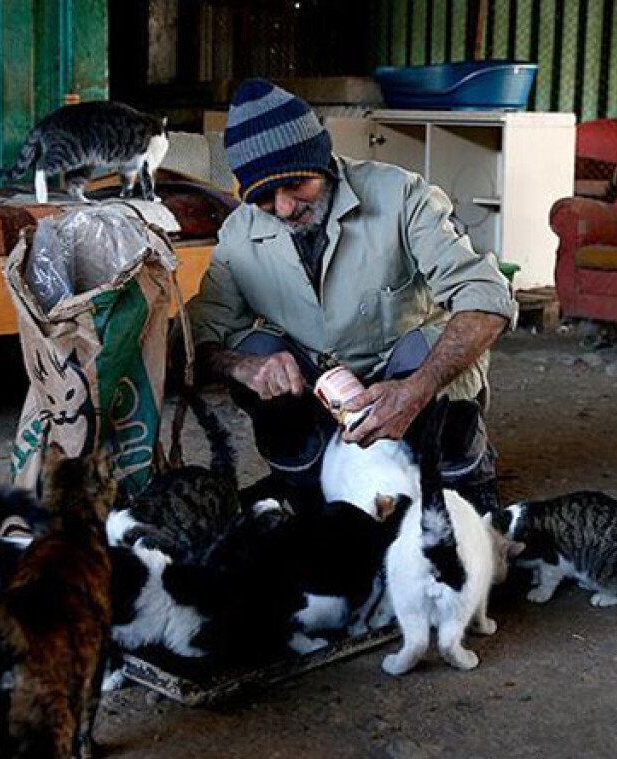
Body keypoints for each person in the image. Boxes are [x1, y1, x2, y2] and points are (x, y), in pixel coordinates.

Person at [187, 79, 516, 511]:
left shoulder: (401, 196)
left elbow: (487, 297)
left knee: (431, 351)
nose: (284, 208)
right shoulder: (239, 233)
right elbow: (198, 338)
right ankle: (302, 472)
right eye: (264, 198)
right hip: (322, 392)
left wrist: (416, 389)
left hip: (406, 376)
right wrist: (244, 366)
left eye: (296, 185)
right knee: (256, 348)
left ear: (322, 162)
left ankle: (459, 470)